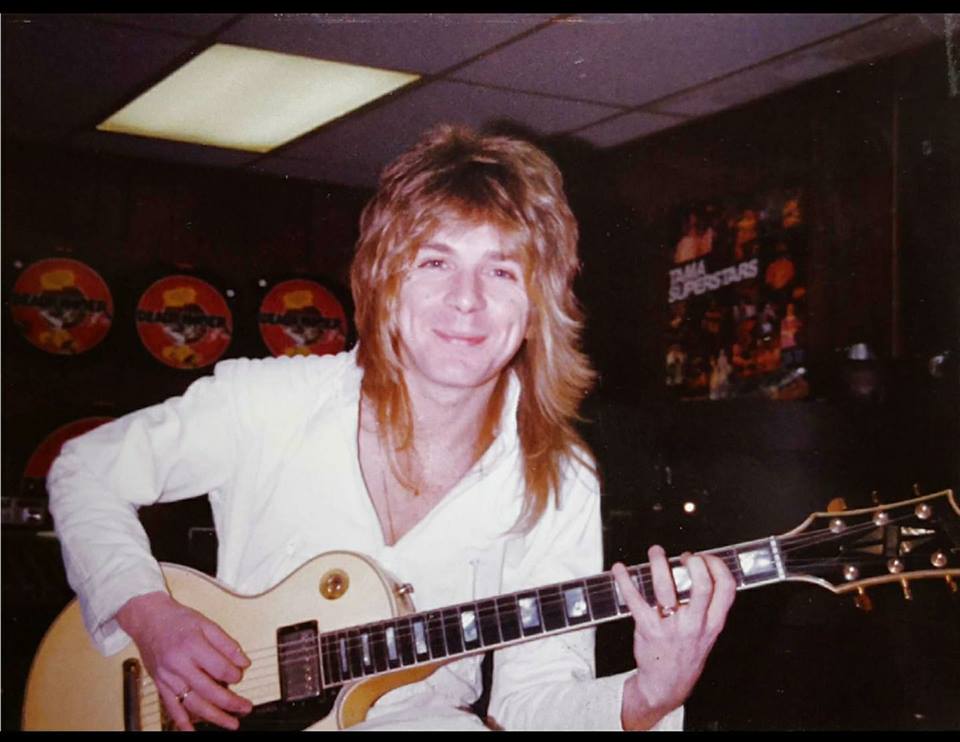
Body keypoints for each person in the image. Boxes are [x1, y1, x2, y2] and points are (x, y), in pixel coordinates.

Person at [47, 124, 735, 731]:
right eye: (435, 262)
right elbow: (84, 471)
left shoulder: (557, 477)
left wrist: (647, 697)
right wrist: (148, 613)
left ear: (538, 306)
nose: (466, 300)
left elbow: (530, 706)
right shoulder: (269, 402)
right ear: (384, 280)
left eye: (502, 271)